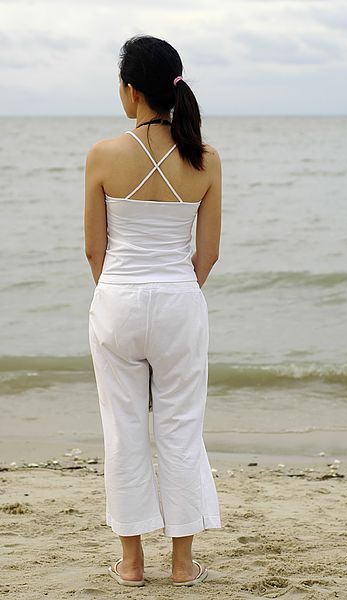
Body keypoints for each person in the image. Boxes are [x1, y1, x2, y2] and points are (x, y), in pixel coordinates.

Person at [84, 34, 222, 588]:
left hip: (116, 299)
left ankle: (133, 564)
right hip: (179, 304)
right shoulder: (205, 158)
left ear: (130, 91)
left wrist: (119, 291)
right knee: (181, 430)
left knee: (122, 429)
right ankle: (183, 564)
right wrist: (173, 294)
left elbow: (95, 250)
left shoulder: (102, 155)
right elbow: (206, 254)